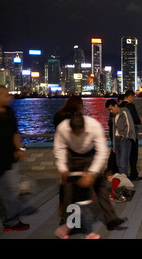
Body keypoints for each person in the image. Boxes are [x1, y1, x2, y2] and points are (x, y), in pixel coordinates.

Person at [53, 112, 127, 238]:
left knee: (100, 187)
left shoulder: (94, 126)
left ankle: (111, 220)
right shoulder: (62, 128)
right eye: (74, 133)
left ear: (84, 128)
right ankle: (69, 223)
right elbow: (59, 148)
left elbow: (102, 150)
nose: (77, 135)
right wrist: (63, 168)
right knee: (70, 190)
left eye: (79, 133)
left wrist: (92, 173)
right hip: (72, 155)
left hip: (90, 154)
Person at [0, 85, 30, 232]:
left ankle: (11, 220)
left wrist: (19, 149)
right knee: (7, 190)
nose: (10, 98)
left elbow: (15, 133)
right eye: (6, 95)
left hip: (9, 157)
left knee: (11, 189)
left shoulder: (10, 112)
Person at [53, 94, 84, 223]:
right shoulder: (76, 117)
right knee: (76, 189)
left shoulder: (58, 115)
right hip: (75, 156)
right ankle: (73, 221)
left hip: (63, 154)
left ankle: (64, 216)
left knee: (65, 186)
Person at [105, 99, 136, 175]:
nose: (111, 111)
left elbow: (129, 126)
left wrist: (125, 137)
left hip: (124, 140)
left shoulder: (125, 112)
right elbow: (113, 130)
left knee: (123, 164)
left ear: (115, 105)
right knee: (118, 164)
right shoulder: (113, 116)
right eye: (109, 110)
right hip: (117, 140)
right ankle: (122, 182)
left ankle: (124, 183)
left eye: (111, 109)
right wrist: (114, 145)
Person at [119, 90, 142, 181]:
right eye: (133, 97)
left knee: (123, 155)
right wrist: (139, 120)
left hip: (121, 135)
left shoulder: (119, 106)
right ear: (130, 97)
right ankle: (133, 174)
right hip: (131, 134)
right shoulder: (130, 106)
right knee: (133, 154)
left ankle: (122, 174)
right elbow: (135, 119)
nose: (133, 99)